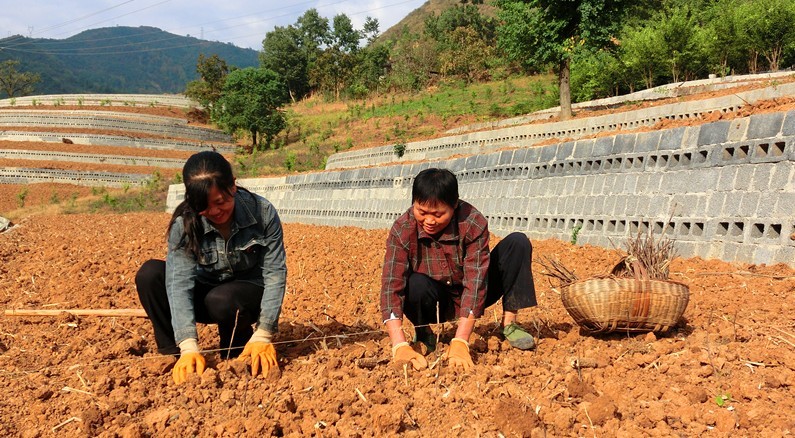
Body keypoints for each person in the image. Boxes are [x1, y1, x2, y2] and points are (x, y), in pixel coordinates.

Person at [135, 151, 287, 384]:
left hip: (243, 297)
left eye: (220, 202)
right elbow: (179, 284)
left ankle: (239, 347)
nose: (215, 212)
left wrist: (264, 333)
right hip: (206, 295)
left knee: (223, 299)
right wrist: (188, 346)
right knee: (150, 274)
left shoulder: (262, 213)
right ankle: (173, 357)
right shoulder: (184, 224)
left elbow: (275, 274)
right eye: (204, 207)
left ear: (233, 187)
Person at [381, 168, 538, 372]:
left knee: (517, 243)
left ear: (454, 206)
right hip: (434, 298)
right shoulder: (402, 229)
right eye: (422, 212)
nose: (429, 221)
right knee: (412, 283)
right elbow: (391, 284)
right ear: (414, 203)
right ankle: (423, 332)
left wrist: (461, 340)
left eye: (438, 214)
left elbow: (476, 280)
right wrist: (399, 344)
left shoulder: (472, 222)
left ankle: (509, 324)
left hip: (473, 292)